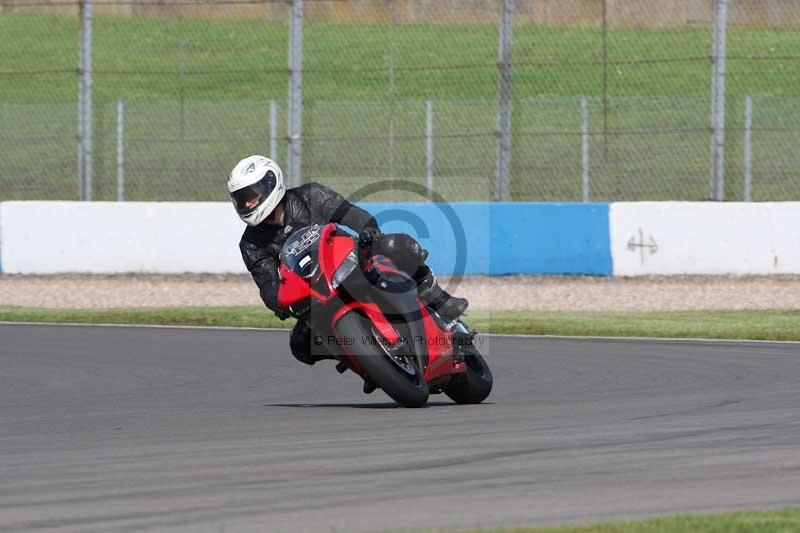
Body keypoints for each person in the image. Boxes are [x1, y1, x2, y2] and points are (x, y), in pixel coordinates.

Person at [228, 155, 468, 365]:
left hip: (349, 261)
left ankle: (438, 299)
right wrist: (283, 304)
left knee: (396, 246)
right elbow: (268, 287)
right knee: (300, 344)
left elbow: (352, 215)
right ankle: (357, 358)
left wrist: (368, 233)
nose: (247, 203)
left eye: (251, 195)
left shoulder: (311, 195)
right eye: (241, 199)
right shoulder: (251, 244)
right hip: (313, 295)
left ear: (270, 183)